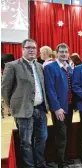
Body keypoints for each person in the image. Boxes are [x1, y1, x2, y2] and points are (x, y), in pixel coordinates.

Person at [1, 39, 49, 168]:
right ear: (22, 49)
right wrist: (13, 105)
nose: (32, 50)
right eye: (28, 47)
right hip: (23, 110)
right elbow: (5, 89)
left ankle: (40, 163)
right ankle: (29, 166)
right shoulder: (12, 65)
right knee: (26, 142)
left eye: (34, 47)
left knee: (42, 138)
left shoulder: (39, 65)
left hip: (40, 109)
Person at [44, 43, 74, 168]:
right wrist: (56, 108)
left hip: (70, 106)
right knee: (60, 134)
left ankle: (65, 158)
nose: (64, 54)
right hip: (59, 108)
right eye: (61, 51)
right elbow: (50, 89)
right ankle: (60, 162)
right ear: (56, 53)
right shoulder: (50, 67)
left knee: (67, 133)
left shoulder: (70, 68)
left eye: (66, 52)